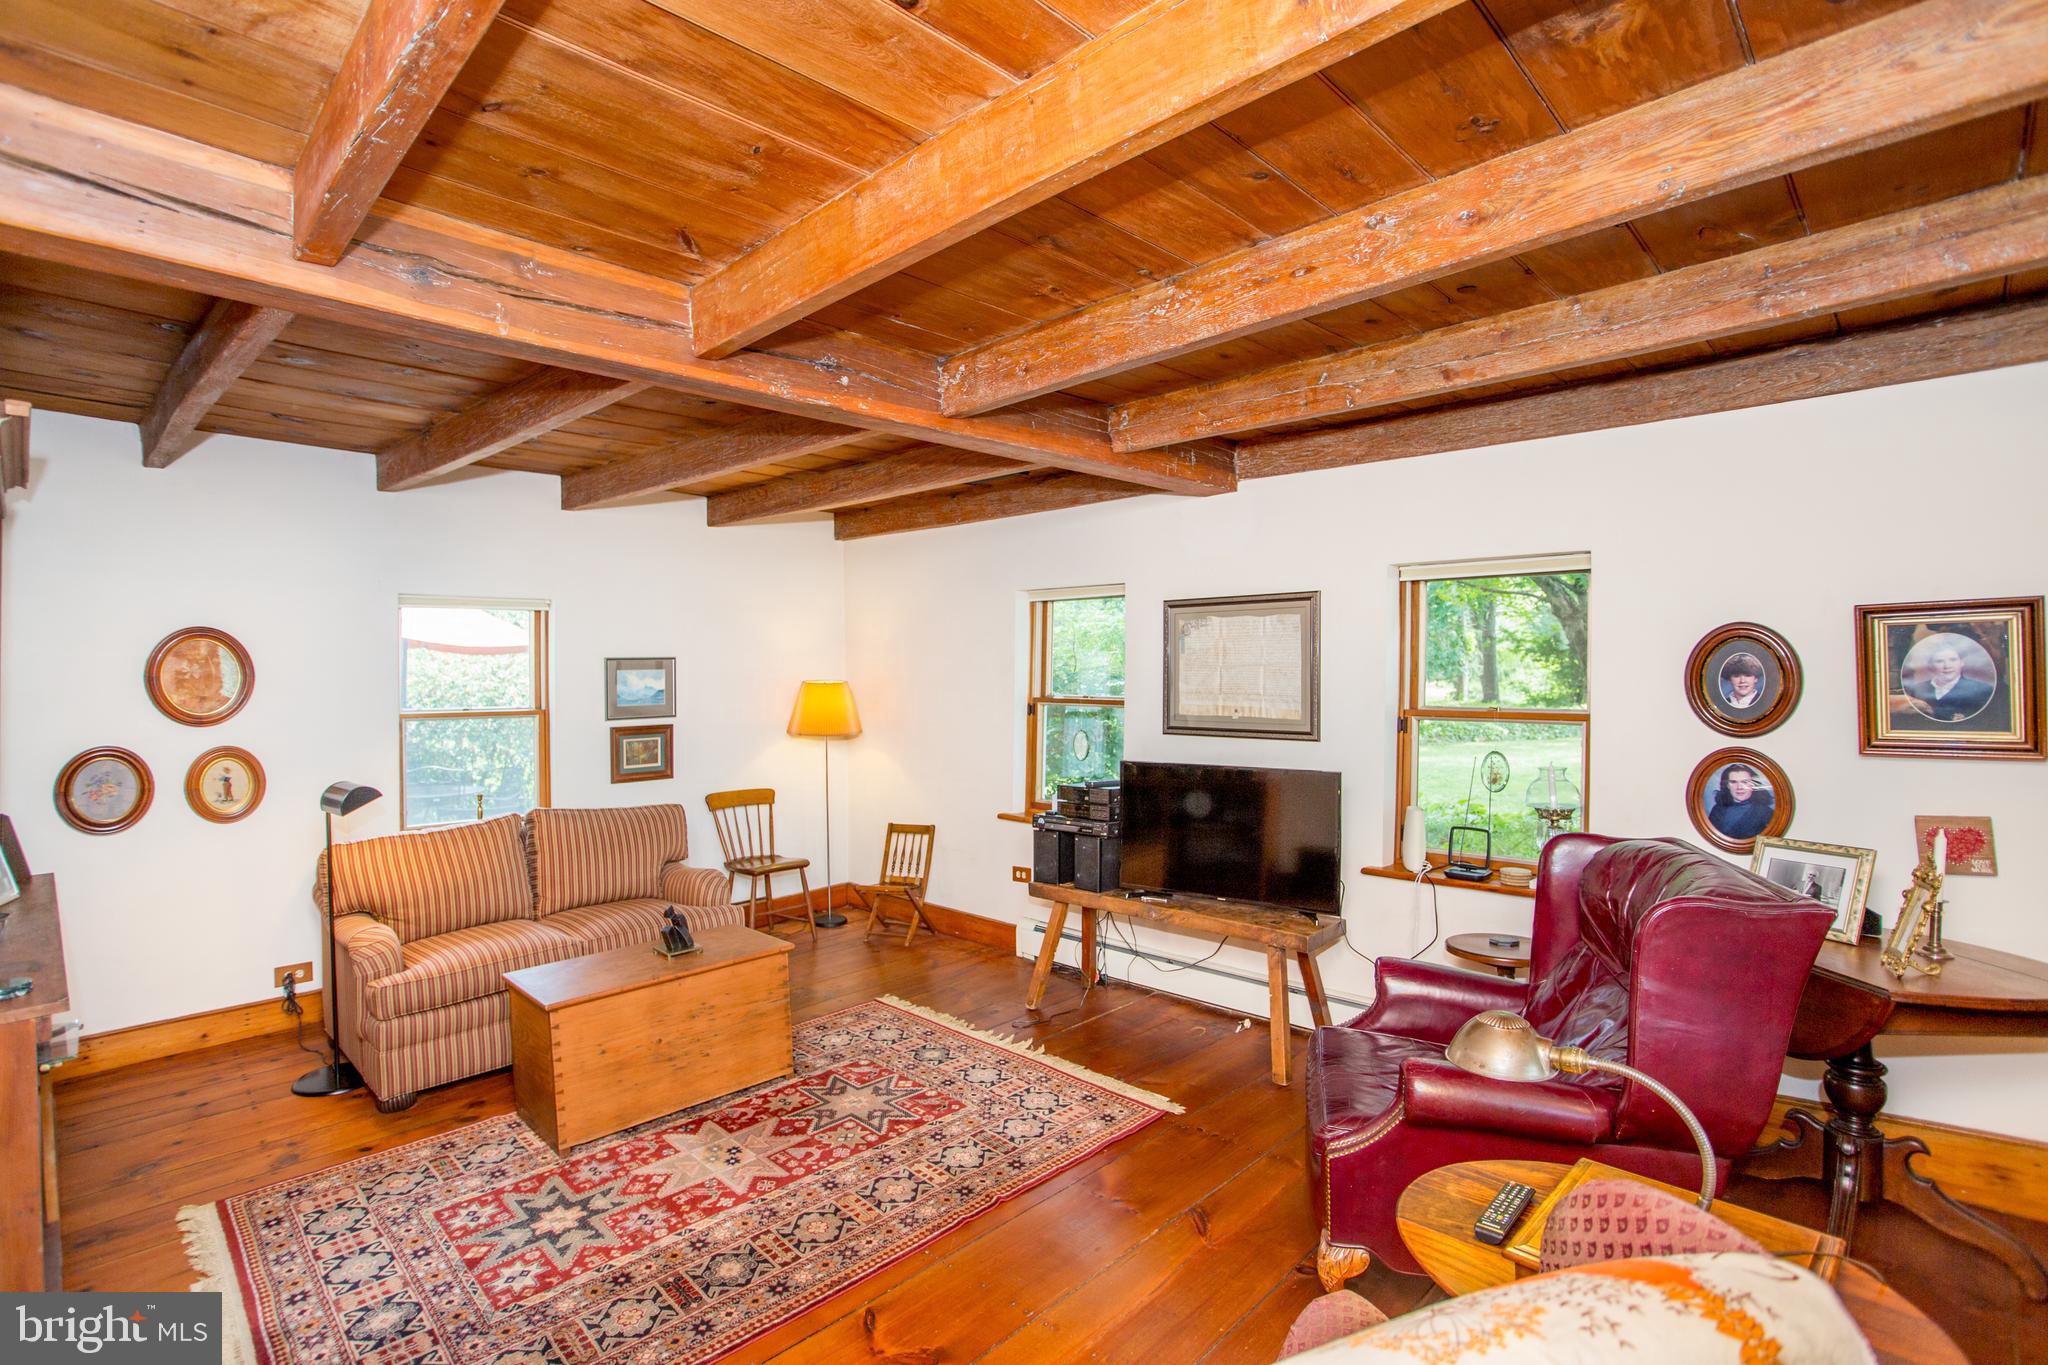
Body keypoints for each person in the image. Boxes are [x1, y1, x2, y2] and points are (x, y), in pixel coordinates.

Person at [1904, 639, 1994, 722]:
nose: (1947, 666)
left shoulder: (1982, 690)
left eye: (1953, 660)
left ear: (1961, 662)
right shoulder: (1917, 689)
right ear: (1930, 666)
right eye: (1939, 661)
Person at [1706, 763, 1774, 841]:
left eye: (1745, 782)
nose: (1739, 787)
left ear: (1753, 785)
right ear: (1727, 785)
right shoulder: (1717, 809)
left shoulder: (1766, 813)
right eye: (1733, 782)